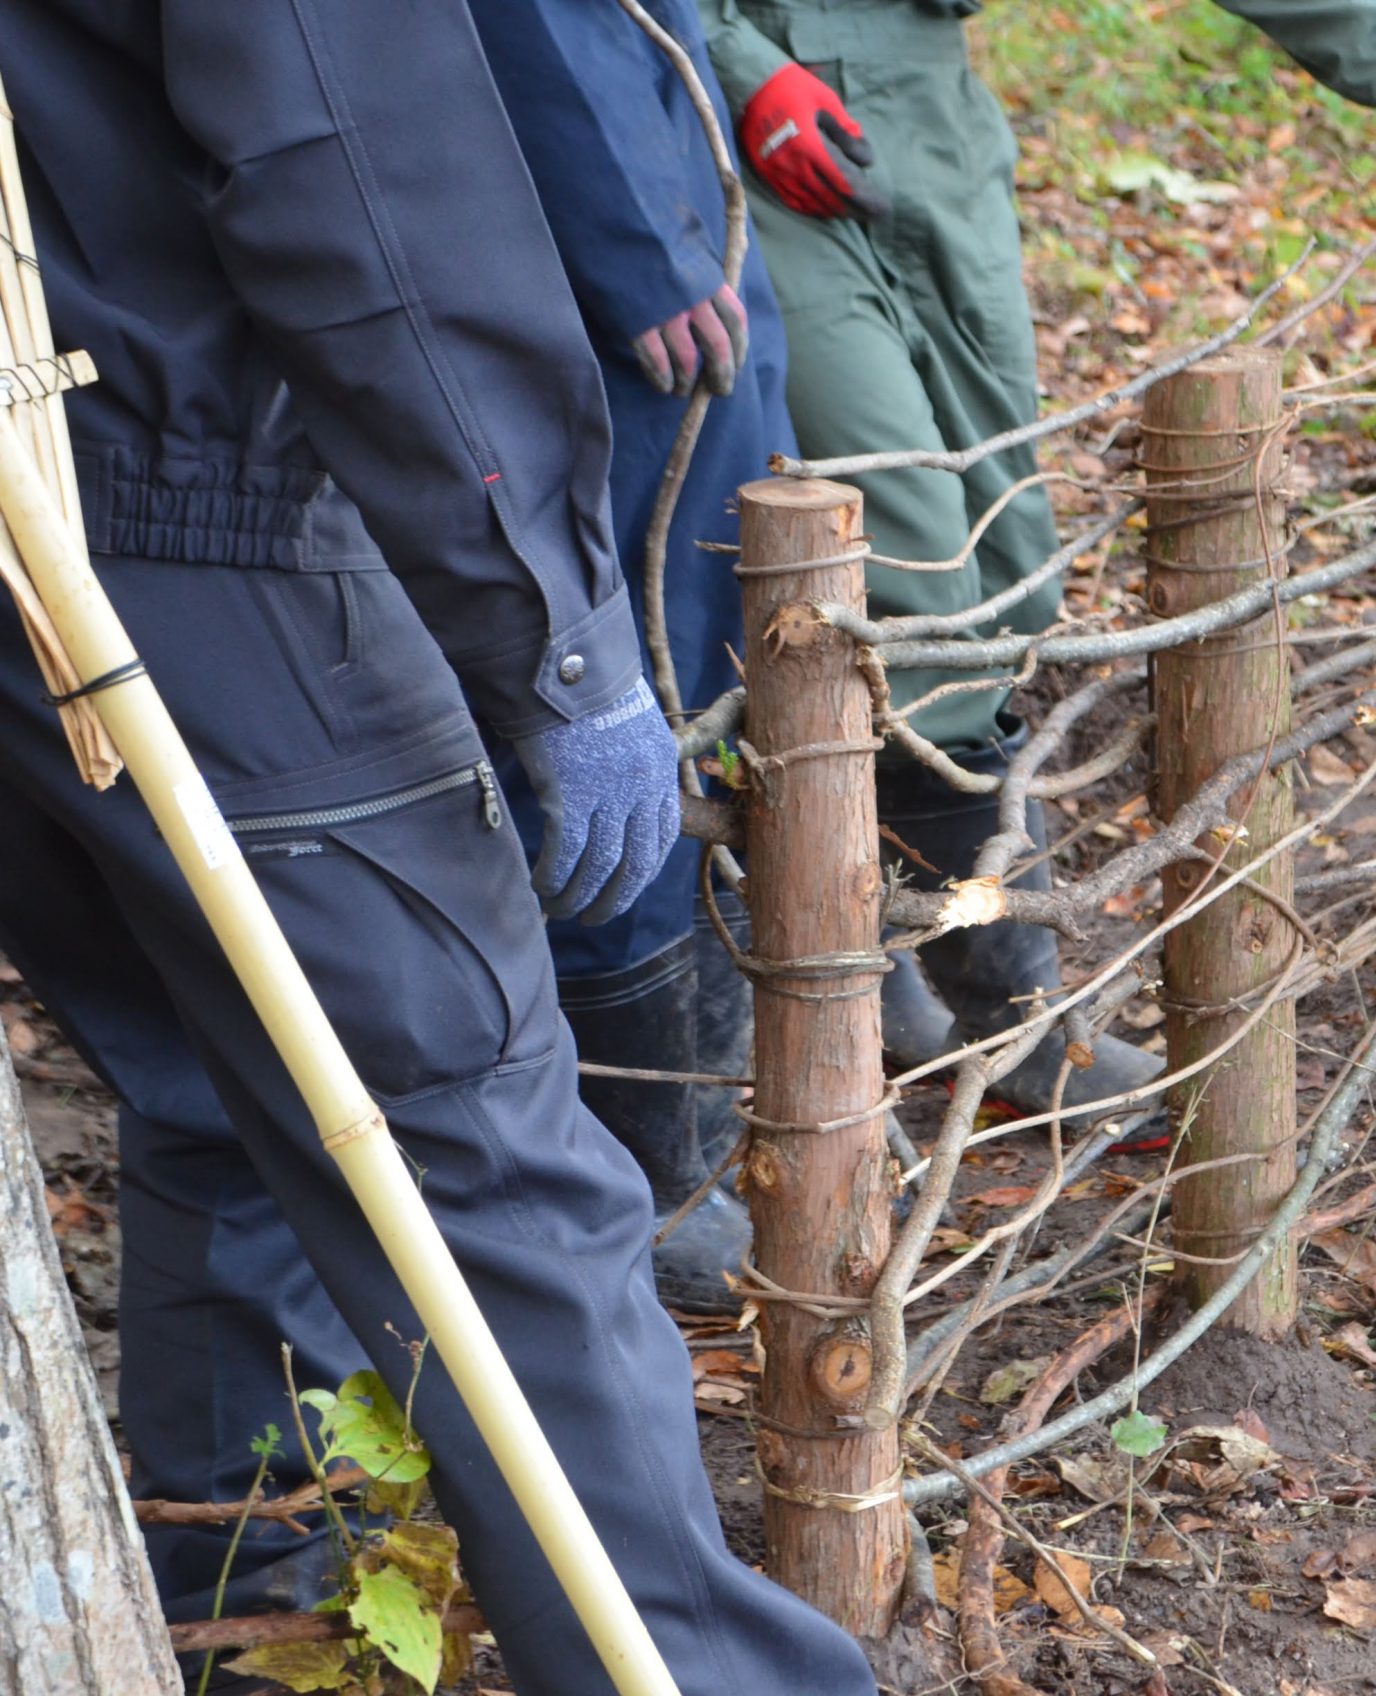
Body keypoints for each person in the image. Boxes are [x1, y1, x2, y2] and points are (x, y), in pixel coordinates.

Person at [0, 3, 874, 1693]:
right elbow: (351, 157)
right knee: (478, 1154)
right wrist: (548, 620)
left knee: (214, 1087)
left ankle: (239, 1613)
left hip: (82, 474)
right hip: (171, 525)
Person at [693, 0, 1376, 1127]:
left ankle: (899, 955)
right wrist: (737, 65)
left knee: (1006, 569)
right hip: (731, 128)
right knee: (901, 561)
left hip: (925, 119)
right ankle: (993, 1017)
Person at [462, 0, 800, 1310]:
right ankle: (656, 1156)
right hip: (594, 203)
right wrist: (632, 228)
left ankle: (734, 1095)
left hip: (669, 134)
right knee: (634, 665)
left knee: (720, 635)